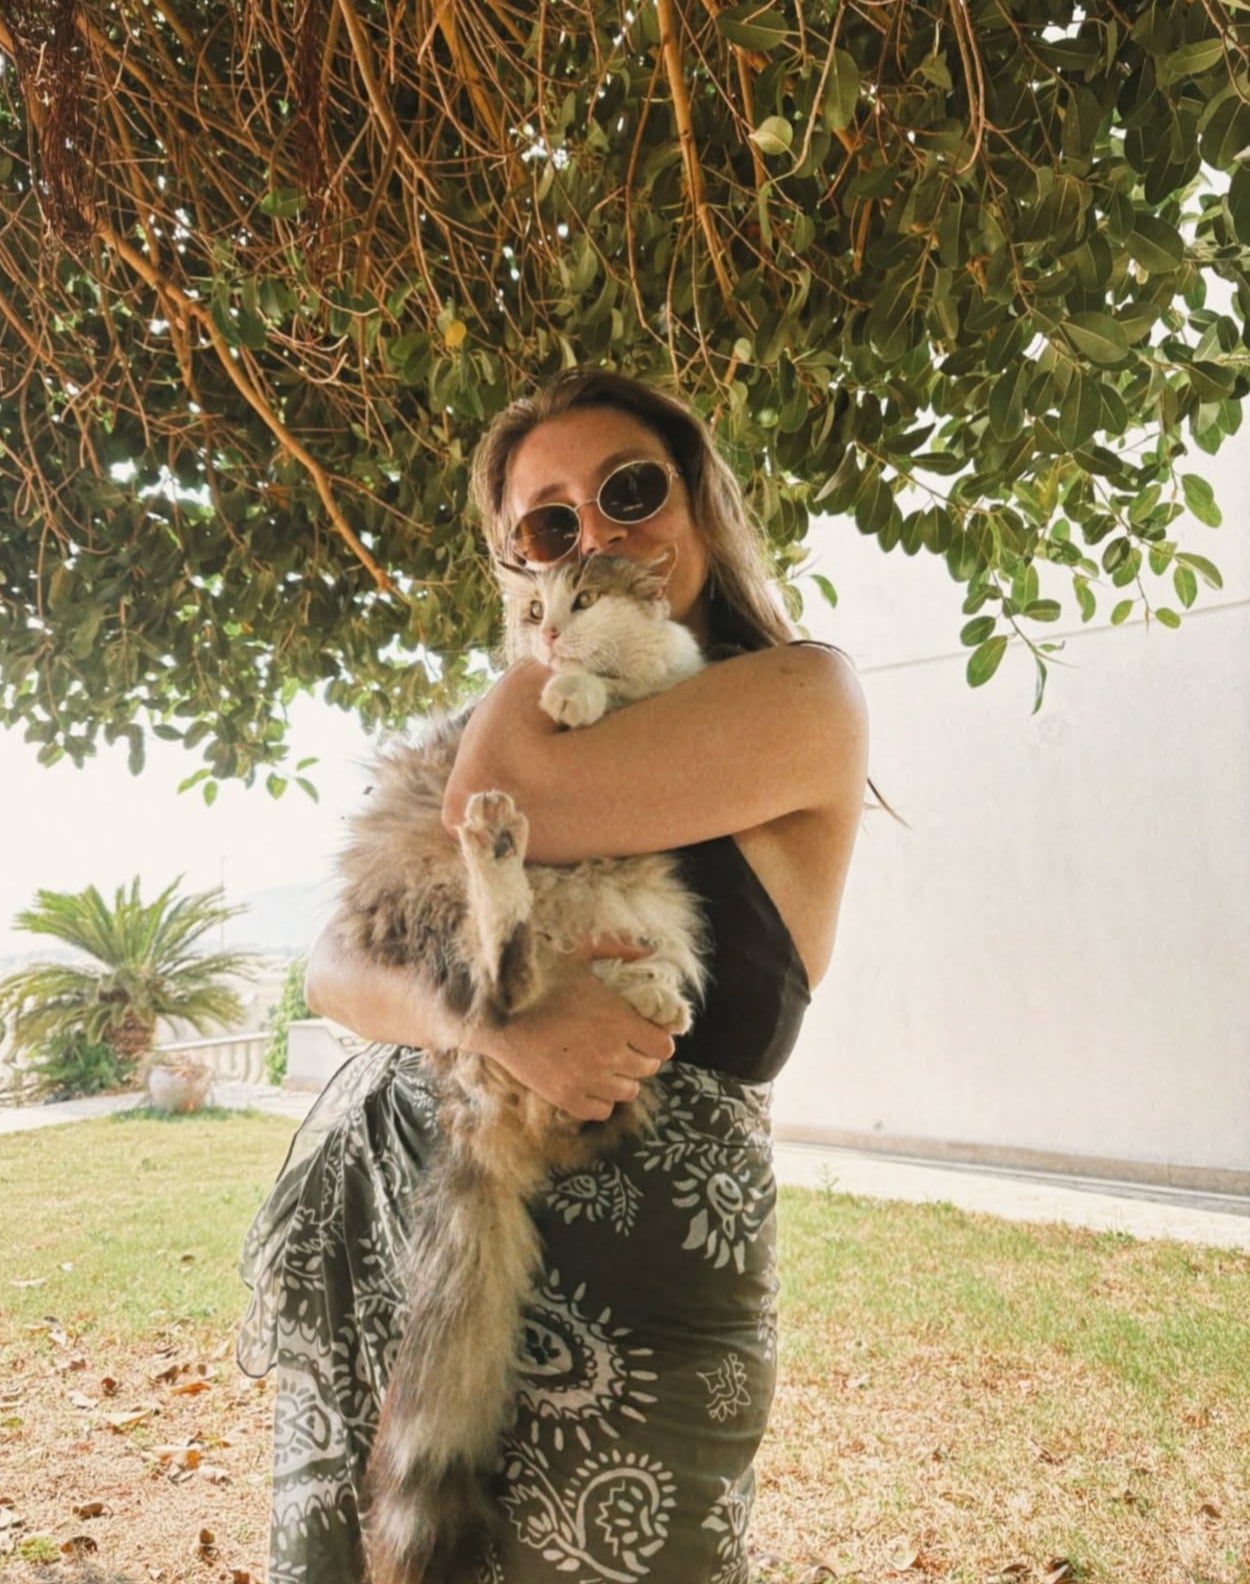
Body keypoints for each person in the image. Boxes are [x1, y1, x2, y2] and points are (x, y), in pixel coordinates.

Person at [238, 369, 868, 1584]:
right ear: (514, 564)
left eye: (630, 491)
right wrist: (495, 1029)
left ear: (699, 499)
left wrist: (547, 650)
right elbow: (333, 966)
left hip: (651, 1279)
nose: (595, 536)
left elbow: (495, 796)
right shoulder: (519, 706)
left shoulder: (801, 692)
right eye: (546, 524)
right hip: (427, 1218)